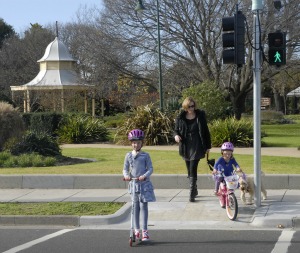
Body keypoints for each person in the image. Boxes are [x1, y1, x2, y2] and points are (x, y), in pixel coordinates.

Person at [174, 97, 211, 202]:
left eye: (193, 106)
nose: (192, 108)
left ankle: (191, 192)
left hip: (197, 145)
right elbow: (175, 130)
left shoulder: (200, 116)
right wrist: (176, 136)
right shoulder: (180, 118)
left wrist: (208, 146)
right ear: (185, 107)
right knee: (188, 168)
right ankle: (194, 188)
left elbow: (206, 131)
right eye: (190, 106)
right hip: (185, 146)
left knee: (193, 166)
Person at [123, 129, 156, 241]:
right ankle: (136, 230)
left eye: (138, 142)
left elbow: (150, 168)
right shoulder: (128, 155)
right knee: (135, 207)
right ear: (131, 143)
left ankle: (145, 231)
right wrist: (127, 176)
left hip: (144, 185)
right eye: (133, 142)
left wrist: (145, 175)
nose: (135, 144)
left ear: (142, 143)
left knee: (144, 206)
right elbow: (125, 169)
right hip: (134, 185)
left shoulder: (145, 155)